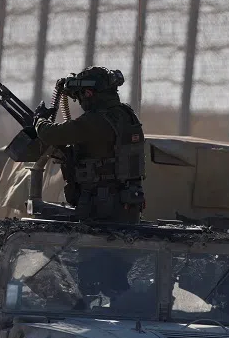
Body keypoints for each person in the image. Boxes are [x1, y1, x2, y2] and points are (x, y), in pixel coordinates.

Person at [34, 66, 146, 223]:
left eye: (81, 95)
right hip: (127, 204)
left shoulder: (97, 120)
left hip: (100, 208)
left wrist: (38, 120)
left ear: (89, 93)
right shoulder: (127, 115)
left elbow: (51, 134)